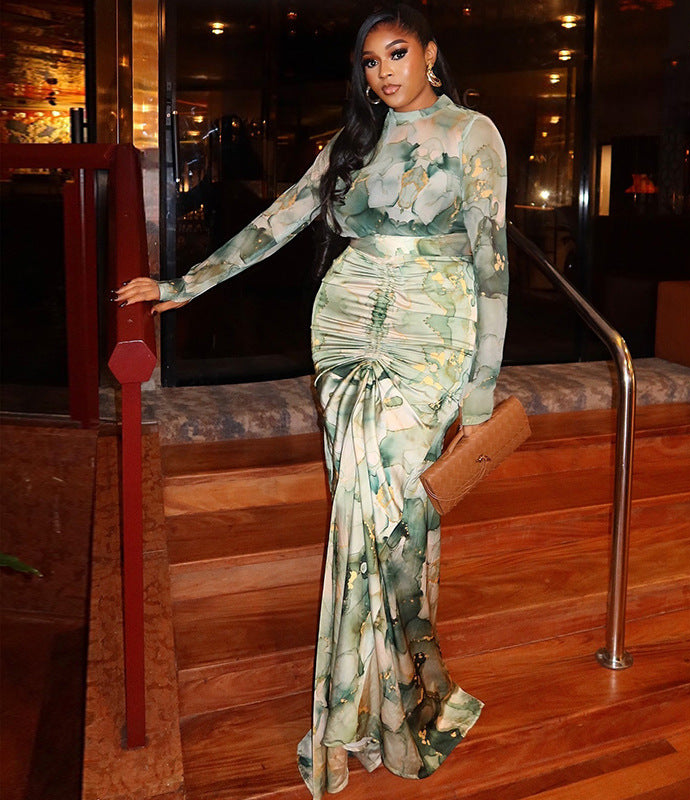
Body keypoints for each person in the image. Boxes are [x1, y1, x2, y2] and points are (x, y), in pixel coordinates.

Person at [114, 4, 508, 797]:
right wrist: (187, 283)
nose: (384, 72)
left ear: (431, 54)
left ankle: (402, 696)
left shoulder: (474, 135)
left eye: (398, 53)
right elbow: (281, 219)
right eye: (371, 61)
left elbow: (490, 258)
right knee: (357, 501)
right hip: (346, 327)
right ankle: (358, 709)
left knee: (397, 510)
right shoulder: (352, 143)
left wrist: (482, 388)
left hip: (433, 333)